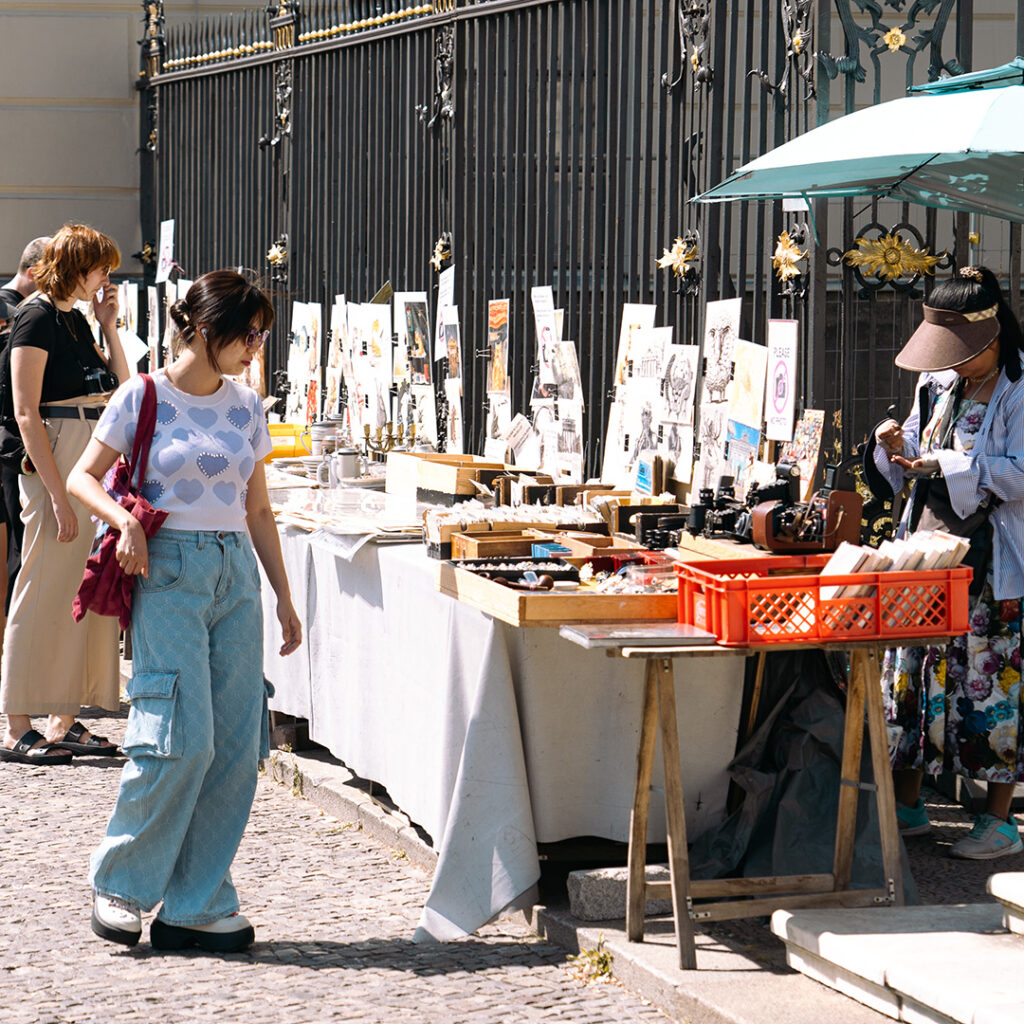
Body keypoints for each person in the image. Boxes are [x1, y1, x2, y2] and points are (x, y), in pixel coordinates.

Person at [68, 269, 302, 952]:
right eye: (248, 333)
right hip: (165, 569)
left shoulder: (248, 406)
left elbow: (257, 507)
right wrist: (126, 521)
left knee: (235, 746)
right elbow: (85, 475)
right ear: (206, 329)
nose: (257, 345)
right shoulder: (142, 395)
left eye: (262, 334)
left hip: (235, 575)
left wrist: (284, 595)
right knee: (177, 736)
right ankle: (120, 882)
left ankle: (196, 903)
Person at [872, 265, 1024, 860]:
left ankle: (998, 818)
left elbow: (1019, 472)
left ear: (990, 338)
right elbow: (913, 448)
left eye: (961, 352)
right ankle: (909, 804)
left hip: (994, 560)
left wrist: (950, 468)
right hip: (930, 547)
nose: (952, 364)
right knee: (913, 671)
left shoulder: (1017, 386)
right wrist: (897, 450)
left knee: (992, 682)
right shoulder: (935, 384)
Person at [0, 225, 129, 765]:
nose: (107, 278)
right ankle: (15, 722)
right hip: (57, 454)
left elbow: (124, 388)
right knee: (41, 584)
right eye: (102, 268)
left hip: (85, 450)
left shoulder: (74, 318)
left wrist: (109, 326)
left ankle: (64, 718)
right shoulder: (35, 315)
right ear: (80, 265)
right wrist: (54, 492)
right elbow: (25, 409)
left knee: (82, 588)